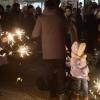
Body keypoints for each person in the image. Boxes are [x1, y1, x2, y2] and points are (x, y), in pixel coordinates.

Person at [32, 0, 66, 100]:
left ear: (45, 7)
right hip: (60, 51)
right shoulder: (60, 17)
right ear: (55, 6)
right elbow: (67, 30)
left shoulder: (41, 18)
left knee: (49, 72)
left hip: (47, 52)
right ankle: (62, 93)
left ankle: (53, 94)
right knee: (61, 72)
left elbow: (34, 34)